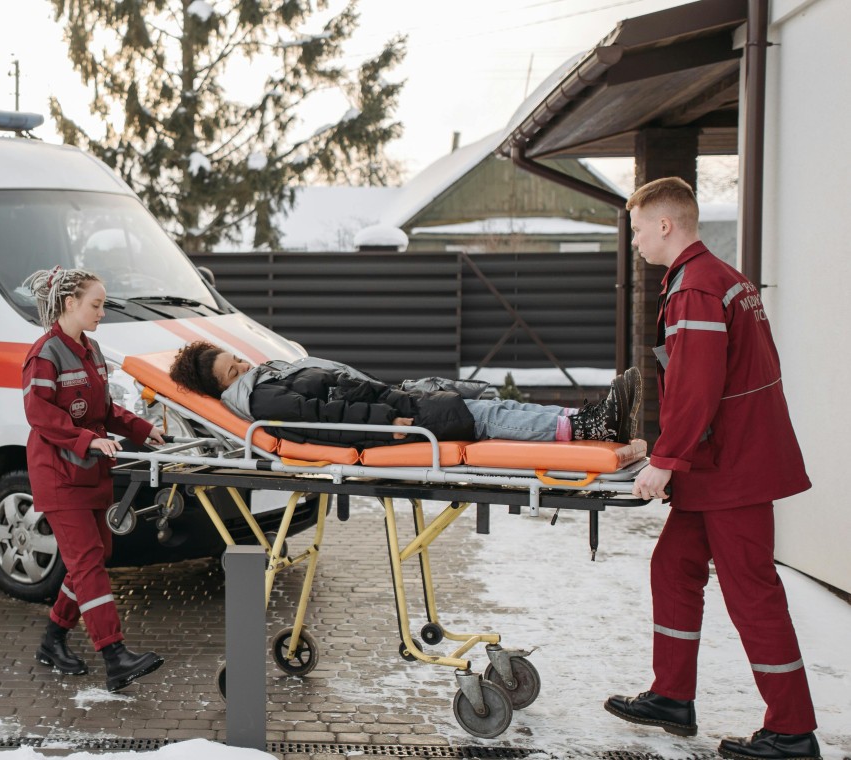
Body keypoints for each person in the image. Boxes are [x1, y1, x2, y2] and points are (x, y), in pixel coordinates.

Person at [603, 178, 819, 760]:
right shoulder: (720, 279)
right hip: (722, 461)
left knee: (753, 593)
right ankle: (672, 696)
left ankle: (792, 731)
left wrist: (667, 462)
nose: (637, 240)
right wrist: (672, 449)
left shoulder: (696, 288)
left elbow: (698, 386)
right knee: (674, 566)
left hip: (731, 468)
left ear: (666, 225)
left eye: (639, 228)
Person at [21, 265, 168, 692]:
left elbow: (104, 409)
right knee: (87, 563)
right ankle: (114, 654)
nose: (102, 312)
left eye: (102, 305)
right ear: (70, 303)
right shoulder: (44, 354)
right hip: (59, 475)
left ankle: (53, 639)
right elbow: (40, 414)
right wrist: (86, 440)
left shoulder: (92, 350)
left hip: (88, 472)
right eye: (96, 304)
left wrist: (143, 429)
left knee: (93, 556)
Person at [167, 340, 641, 448]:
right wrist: (384, 428)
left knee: (487, 404)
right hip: (392, 422)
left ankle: (586, 417)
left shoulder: (268, 375)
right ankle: (583, 428)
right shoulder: (259, 401)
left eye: (238, 360)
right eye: (233, 371)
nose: (244, 366)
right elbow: (320, 421)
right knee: (482, 417)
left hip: (393, 402)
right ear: (222, 386)